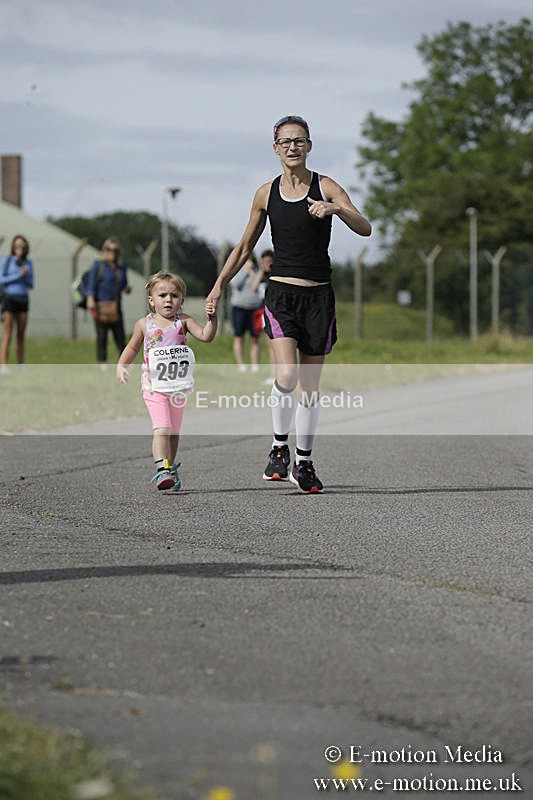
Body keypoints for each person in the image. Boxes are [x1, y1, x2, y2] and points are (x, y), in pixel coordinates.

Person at [207, 115, 371, 493]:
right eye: (285, 141)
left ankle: (305, 462)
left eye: (299, 141)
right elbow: (245, 245)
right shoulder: (266, 193)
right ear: (275, 148)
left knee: (310, 389)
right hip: (281, 294)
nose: (292, 147)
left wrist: (336, 210)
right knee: (286, 377)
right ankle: (279, 446)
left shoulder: (326, 186)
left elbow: (365, 227)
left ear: (309, 145)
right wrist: (218, 286)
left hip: (319, 296)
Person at [117, 271, 217, 492]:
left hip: (178, 387)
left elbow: (206, 336)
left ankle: (170, 467)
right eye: (162, 295)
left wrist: (212, 319)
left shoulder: (183, 322)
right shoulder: (144, 324)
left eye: (174, 295)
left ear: (181, 300)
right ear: (151, 300)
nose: (168, 300)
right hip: (154, 387)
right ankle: (161, 468)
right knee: (162, 428)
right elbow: (133, 347)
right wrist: (122, 365)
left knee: (173, 432)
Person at [86, 237, 131, 370]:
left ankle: (125, 362)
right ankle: (103, 363)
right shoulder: (98, 266)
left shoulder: (121, 268)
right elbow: (91, 284)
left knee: (120, 336)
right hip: (100, 305)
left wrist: (126, 289)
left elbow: (123, 284)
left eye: (115, 250)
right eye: (109, 249)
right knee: (102, 335)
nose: (112, 252)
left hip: (116, 306)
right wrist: (90, 298)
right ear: (104, 250)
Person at [0, 234, 34, 374]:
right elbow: (1, 279)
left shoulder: (28, 263)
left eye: (22, 246)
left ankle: (21, 364)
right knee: (8, 333)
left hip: (23, 300)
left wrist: (25, 276)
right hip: (9, 299)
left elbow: (31, 284)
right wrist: (18, 275)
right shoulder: (7, 261)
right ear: (13, 247)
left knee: (21, 334)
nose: (20, 248)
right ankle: (3, 365)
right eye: (17, 246)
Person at [229, 252, 264, 372]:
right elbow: (235, 284)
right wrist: (244, 271)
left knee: (255, 338)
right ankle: (241, 365)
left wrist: (252, 271)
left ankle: (255, 365)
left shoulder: (258, 270)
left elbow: (260, 285)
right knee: (239, 336)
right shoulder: (237, 269)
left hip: (255, 308)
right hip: (239, 307)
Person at [250, 248, 275, 383]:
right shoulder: (262, 278)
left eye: (269, 262)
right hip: (263, 312)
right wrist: (260, 270)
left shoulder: (275, 277)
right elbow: (253, 288)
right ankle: (274, 374)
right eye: (264, 262)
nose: (267, 264)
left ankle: (277, 375)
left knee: (275, 344)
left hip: (273, 312)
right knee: (269, 344)